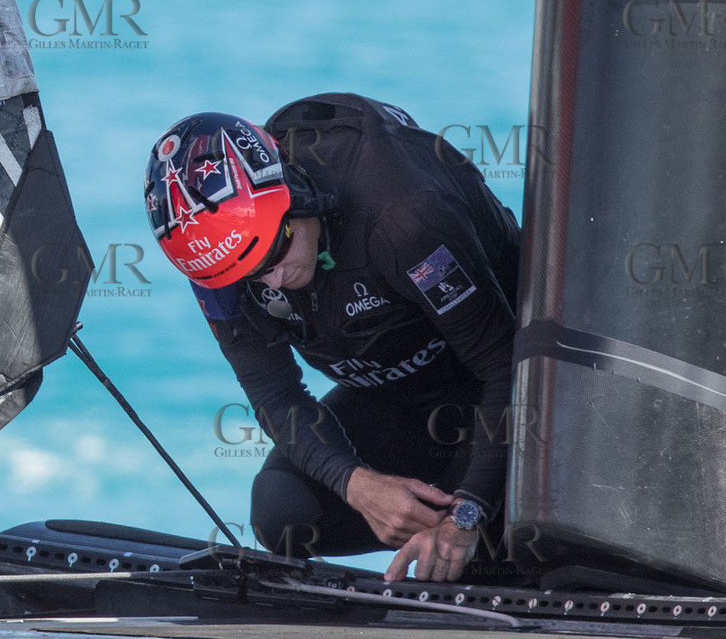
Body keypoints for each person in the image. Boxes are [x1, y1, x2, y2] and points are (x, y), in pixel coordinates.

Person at [144, 93, 521, 583]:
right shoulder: (216, 264)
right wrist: (358, 485)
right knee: (283, 509)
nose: (271, 282)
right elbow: (275, 395)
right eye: (248, 276)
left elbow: (505, 361)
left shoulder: (402, 216)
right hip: (402, 396)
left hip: (515, 389)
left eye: (274, 254)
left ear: (297, 199)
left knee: (470, 553)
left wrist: (467, 514)